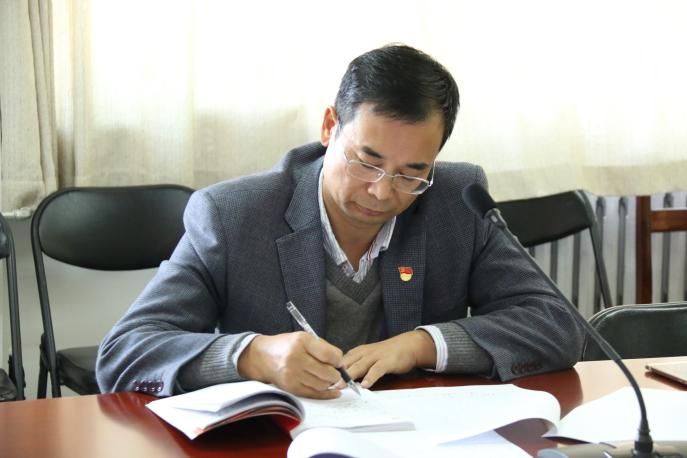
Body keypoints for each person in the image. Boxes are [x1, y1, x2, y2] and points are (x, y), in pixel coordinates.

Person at [96, 44, 585, 399]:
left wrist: (424, 344)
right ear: (330, 127)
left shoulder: (456, 201)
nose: (383, 192)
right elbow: (125, 352)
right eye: (367, 162)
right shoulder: (232, 215)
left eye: (412, 173)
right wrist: (253, 356)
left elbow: (558, 325)